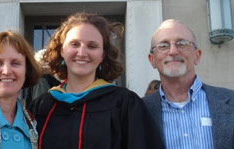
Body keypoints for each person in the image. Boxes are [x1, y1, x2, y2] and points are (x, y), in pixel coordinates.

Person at [29, 13, 164, 149]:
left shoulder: (124, 104)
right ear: (62, 51)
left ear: (103, 55)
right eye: (74, 44)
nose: (82, 53)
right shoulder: (41, 106)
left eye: (92, 46)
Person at [143, 19, 234, 149]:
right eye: (163, 46)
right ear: (152, 60)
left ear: (197, 56)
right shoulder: (139, 110)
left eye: (182, 44)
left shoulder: (231, 102)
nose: (173, 51)